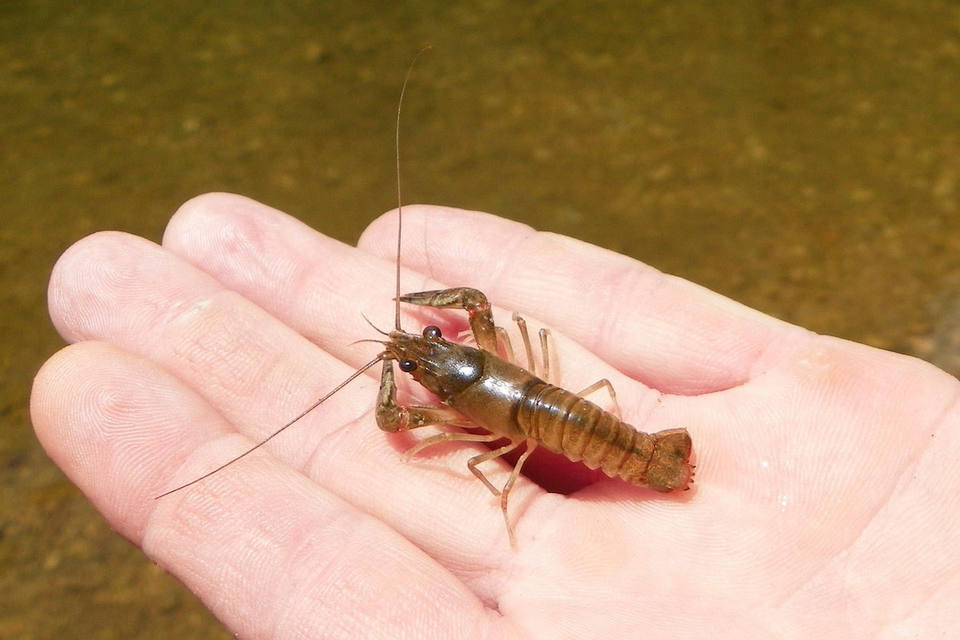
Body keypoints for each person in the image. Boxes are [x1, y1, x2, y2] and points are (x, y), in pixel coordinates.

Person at [32, 193, 959, 638]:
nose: (414, 358)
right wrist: (427, 349)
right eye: (417, 360)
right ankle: (649, 455)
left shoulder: (449, 408)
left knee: (485, 457)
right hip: (574, 411)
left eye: (417, 357)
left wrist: (404, 384)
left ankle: (647, 460)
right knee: (509, 402)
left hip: (587, 435)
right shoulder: (483, 343)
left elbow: (416, 428)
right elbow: (478, 308)